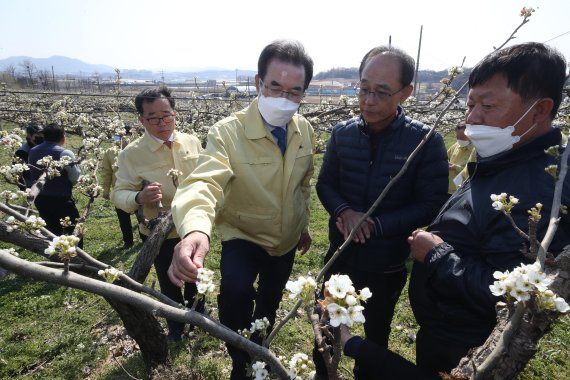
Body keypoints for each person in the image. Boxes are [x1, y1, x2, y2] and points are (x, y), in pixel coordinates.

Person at [407, 42, 570, 377]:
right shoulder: (506, 156)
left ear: (539, 111)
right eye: (470, 104)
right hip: (446, 324)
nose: (471, 118)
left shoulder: (537, 194)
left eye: (488, 105)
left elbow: (515, 297)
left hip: (469, 344)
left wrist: (438, 255)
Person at [168, 39, 315, 379]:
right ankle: (239, 359)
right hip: (244, 234)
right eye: (274, 86)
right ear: (257, 83)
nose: (283, 98)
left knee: (271, 299)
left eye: (294, 92)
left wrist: (302, 224)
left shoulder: (304, 130)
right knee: (234, 296)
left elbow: (302, 185)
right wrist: (194, 228)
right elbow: (204, 182)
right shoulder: (228, 132)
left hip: (286, 240)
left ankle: (260, 347)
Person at [314, 45, 449, 378]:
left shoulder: (425, 142)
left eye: (381, 92)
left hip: (386, 264)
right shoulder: (342, 134)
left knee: (375, 333)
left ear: (406, 93)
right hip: (340, 255)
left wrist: (376, 223)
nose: (368, 100)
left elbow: (431, 202)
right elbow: (326, 184)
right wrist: (344, 211)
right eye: (363, 89)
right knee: (326, 326)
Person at [112, 86, 203, 341]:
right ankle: (176, 327)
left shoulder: (191, 141)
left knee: (196, 274)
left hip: (192, 227)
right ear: (141, 119)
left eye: (167, 114)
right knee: (170, 280)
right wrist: (139, 197)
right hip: (160, 232)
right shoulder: (131, 154)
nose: (162, 122)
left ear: (175, 113)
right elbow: (118, 194)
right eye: (153, 117)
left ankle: (199, 316)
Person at [28, 123, 82, 246]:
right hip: (61, 198)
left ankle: (56, 259)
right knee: (73, 230)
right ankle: (77, 258)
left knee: (52, 231)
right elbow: (75, 177)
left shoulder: (32, 151)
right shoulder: (64, 153)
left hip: (40, 198)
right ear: (63, 137)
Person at [100, 127, 134, 249]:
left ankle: (145, 239)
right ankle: (128, 241)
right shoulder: (110, 152)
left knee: (142, 215)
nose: (123, 139)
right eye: (120, 136)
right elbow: (106, 172)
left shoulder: (137, 148)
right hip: (120, 190)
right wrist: (105, 189)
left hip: (138, 189)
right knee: (123, 217)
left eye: (126, 135)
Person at [446, 123, 474, 193]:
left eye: (462, 137)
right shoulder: (455, 146)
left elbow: (473, 171)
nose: (459, 140)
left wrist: (455, 168)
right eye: (457, 137)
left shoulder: (475, 150)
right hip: (449, 187)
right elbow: (445, 157)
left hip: (464, 189)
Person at [14, 123, 43, 189]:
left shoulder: (43, 146)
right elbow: (18, 173)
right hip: (30, 185)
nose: (41, 136)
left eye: (42, 133)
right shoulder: (22, 152)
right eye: (38, 134)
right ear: (29, 135)